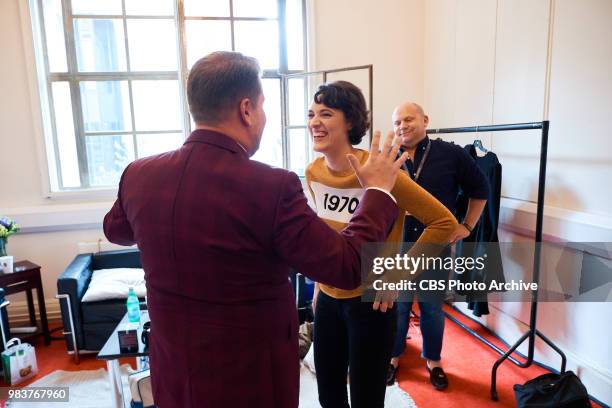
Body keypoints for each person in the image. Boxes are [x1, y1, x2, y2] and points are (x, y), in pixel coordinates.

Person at [103, 51, 408, 408]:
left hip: (174, 372)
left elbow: (115, 230)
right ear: (246, 109)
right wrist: (378, 193)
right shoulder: (272, 187)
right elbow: (346, 266)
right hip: (249, 380)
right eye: (262, 107)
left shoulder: (139, 174)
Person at [305, 81, 457, 408]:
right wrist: (318, 289)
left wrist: (398, 274)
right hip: (329, 302)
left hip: (372, 305)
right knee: (328, 395)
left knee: (366, 399)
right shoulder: (313, 172)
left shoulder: (382, 172)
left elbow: (444, 223)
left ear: (350, 122)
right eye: (311, 114)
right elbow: (327, 239)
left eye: (326, 113)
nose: (314, 121)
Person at [386, 102, 489, 390]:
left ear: (425, 120)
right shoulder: (387, 157)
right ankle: (392, 357)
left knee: (431, 308)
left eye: (409, 119)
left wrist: (466, 226)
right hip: (396, 247)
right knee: (397, 306)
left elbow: (481, 189)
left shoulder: (451, 154)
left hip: (435, 248)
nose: (402, 126)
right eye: (397, 122)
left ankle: (433, 360)